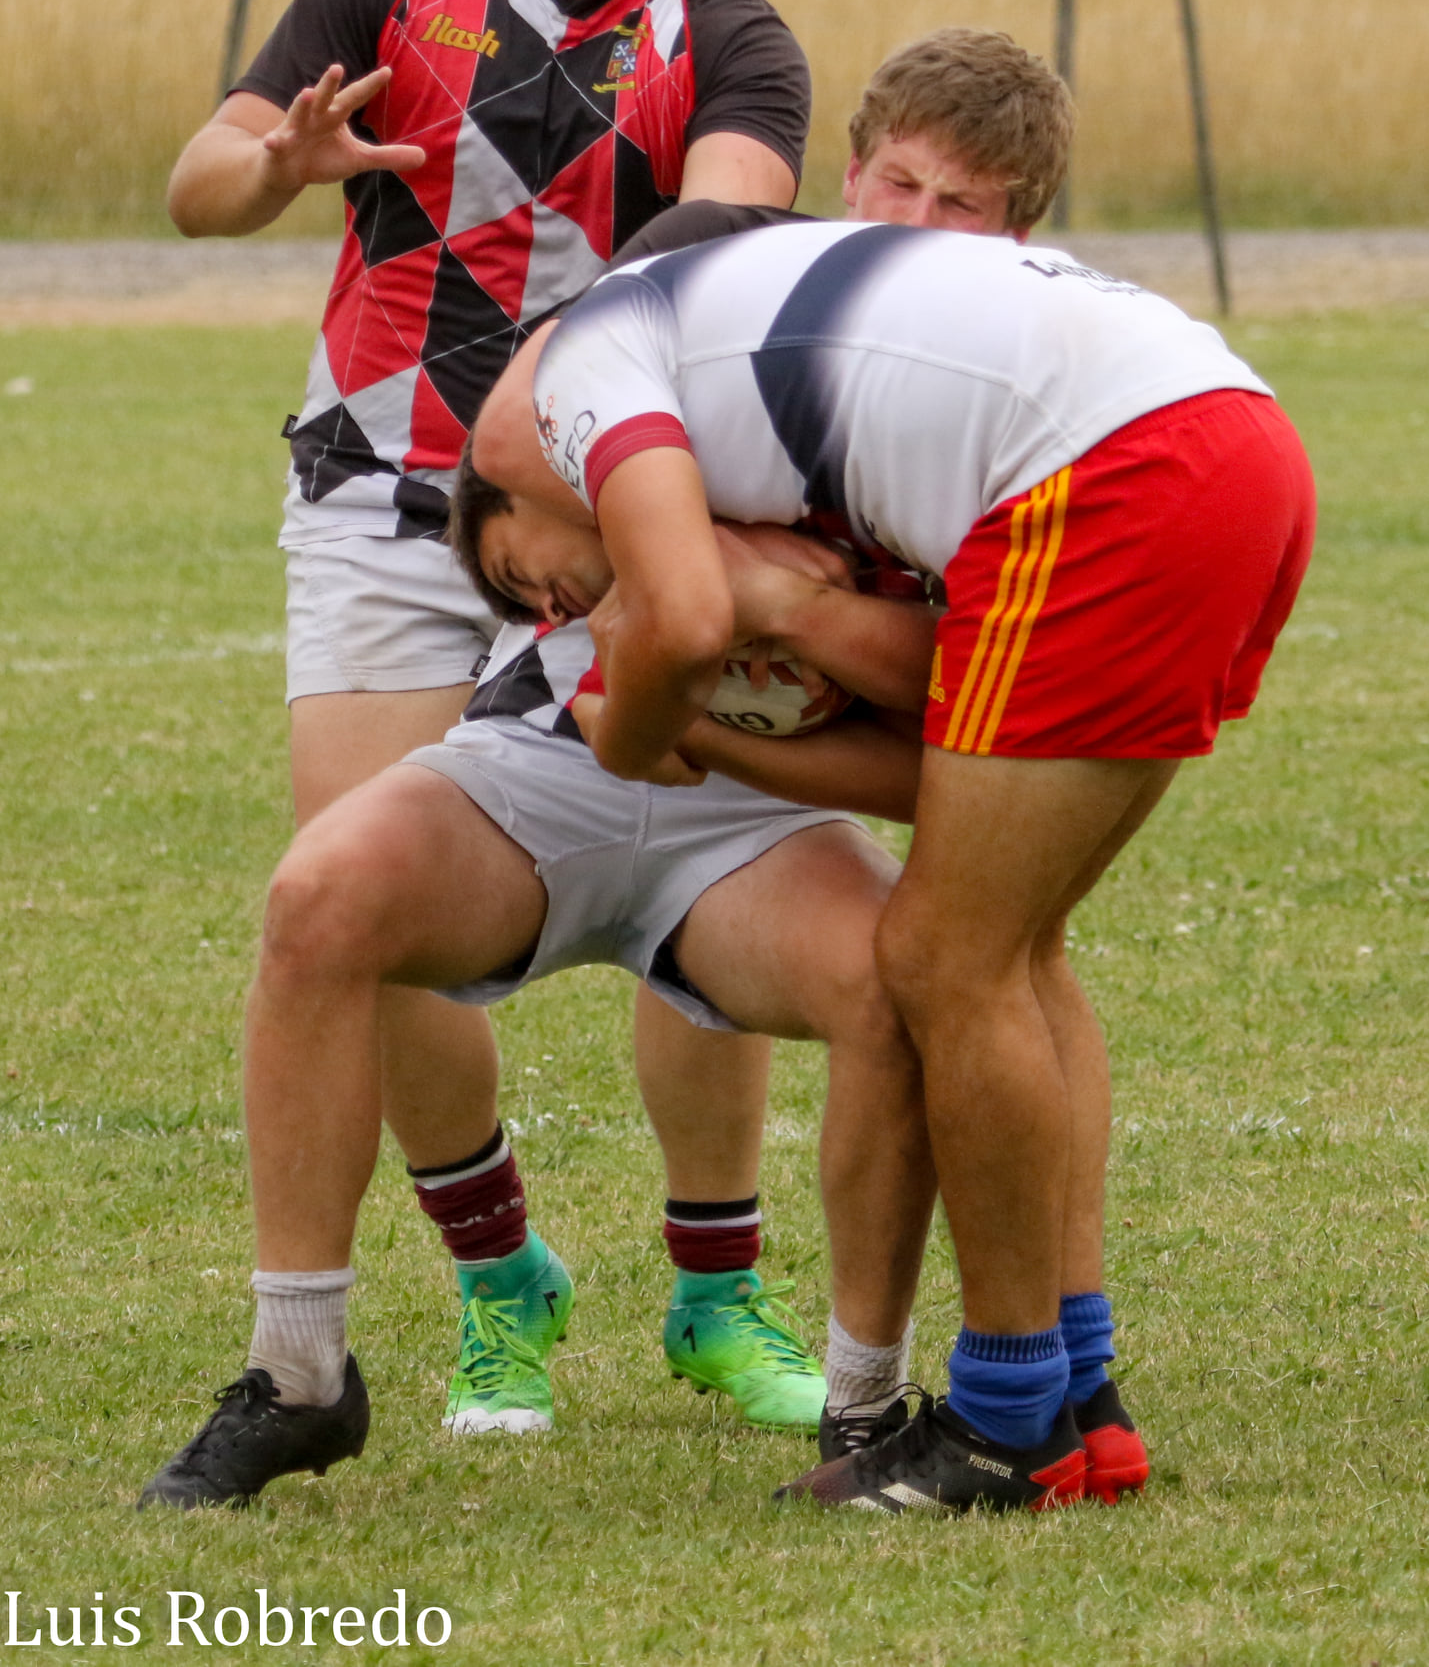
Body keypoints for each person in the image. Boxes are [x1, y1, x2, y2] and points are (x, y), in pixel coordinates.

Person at [140, 35, 1165, 1512]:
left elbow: (961, 700)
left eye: (966, 208)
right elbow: (524, 475)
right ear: (845, 168)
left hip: (757, 808)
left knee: (912, 981)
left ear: (1021, 241)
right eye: (896, 180)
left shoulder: (993, 406)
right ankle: (299, 1373)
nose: (914, 224)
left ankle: (868, 1408)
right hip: (546, 750)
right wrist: (702, 563)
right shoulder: (715, 268)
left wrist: (794, 612)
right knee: (318, 896)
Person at [162, 0, 825, 1426]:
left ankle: (717, 1289)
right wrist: (277, 161)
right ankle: (498, 1273)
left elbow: (729, 222)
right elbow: (197, 181)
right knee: (359, 909)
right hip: (382, 489)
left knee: (700, 876)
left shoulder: (737, 39)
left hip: (617, 515)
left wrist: (586, 377)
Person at [468, 216, 1315, 1514]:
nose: (564, 616)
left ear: (536, 478)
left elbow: (682, 612)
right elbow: (949, 750)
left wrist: (637, 728)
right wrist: (719, 701)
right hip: (1226, 436)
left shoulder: (585, 365)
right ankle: (1079, 1396)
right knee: (1009, 944)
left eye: (532, 576)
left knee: (943, 954)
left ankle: (1000, 1425)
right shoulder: (761, 430)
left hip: (1113, 467)